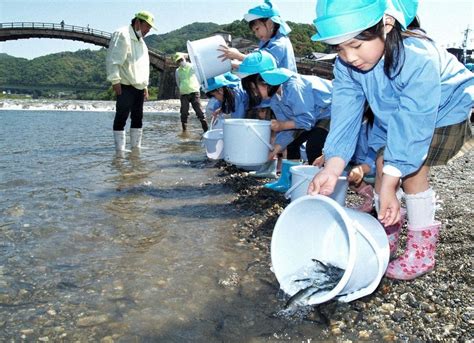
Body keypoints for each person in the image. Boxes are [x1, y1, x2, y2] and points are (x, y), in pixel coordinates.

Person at [309, 0, 474, 280]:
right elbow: (345, 117)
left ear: (385, 25)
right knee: (383, 159)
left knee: (410, 172)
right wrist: (332, 168)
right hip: (395, 112)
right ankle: (387, 231)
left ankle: (421, 253)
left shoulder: (418, 58)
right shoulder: (347, 66)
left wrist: (389, 184)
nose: (348, 56)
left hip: (445, 109)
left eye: (356, 45)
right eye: (340, 48)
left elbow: (413, 126)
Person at [239, 50, 333, 187]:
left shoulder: (294, 87)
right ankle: (288, 180)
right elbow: (290, 128)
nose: (255, 94)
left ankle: (317, 184)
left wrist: (281, 125)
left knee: (314, 144)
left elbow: (306, 121)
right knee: (293, 144)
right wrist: (274, 151)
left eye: (254, 89)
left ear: (265, 82)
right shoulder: (275, 98)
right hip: (314, 116)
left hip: (331, 111)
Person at [106, 11, 156, 152]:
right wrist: (115, 81)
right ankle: (120, 150)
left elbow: (144, 66)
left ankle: (135, 148)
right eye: (147, 27)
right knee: (121, 116)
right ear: (137, 22)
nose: (147, 31)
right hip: (125, 85)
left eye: (150, 28)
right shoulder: (122, 34)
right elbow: (113, 60)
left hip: (139, 86)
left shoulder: (142, 43)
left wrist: (145, 86)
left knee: (138, 118)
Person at [218, 0, 297, 72]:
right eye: (254, 31)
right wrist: (231, 63)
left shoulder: (280, 43)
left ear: (269, 24)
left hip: (284, 87)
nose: (256, 34)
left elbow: (263, 63)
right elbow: (255, 66)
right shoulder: (268, 43)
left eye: (257, 29)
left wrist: (238, 56)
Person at [174, 52, 208, 133]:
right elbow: (178, 82)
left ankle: (206, 130)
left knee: (199, 111)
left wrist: (198, 86)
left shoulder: (192, 66)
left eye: (181, 59)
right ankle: (184, 132)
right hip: (184, 94)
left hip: (194, 92)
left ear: (184, 59)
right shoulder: (177, 71)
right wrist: (182, 89)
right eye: (178, 61)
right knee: (184, 112)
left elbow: (200, 73)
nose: (180, 62)